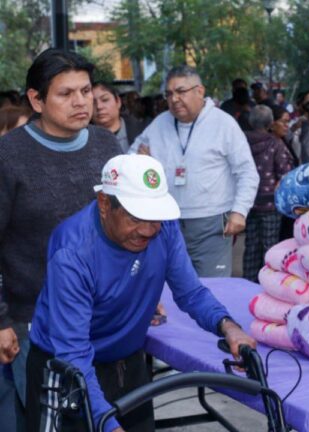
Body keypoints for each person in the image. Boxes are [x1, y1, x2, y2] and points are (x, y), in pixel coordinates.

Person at [25, 154, 255, 432]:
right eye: (136, 217)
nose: (148, 230)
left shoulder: (165, 228)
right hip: (70, 372)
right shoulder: (73, 251)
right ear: (104, 205)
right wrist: (106, 424)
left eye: (155, 217)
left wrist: (228, 326)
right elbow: (73, 351)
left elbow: (191, 293)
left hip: (127, 363)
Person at [0, 48, 121, 432]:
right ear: (36, 100)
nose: (81, 102)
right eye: (66, 93)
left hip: (103, 316)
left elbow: (121, 228)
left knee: (103, 414)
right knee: (46, 421)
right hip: (32, 320)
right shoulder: (8, 155)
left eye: (85, 91)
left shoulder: (106, 146)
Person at [130, 65, 259, 277]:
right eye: (169, 94)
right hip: (166, 223)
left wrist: (239, 211)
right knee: (169, 287)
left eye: (181, 91)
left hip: (212, 223)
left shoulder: (223, 123)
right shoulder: (159, 123)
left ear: (200, 91)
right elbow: (131, 159)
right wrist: (140, 163)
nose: (174, 99)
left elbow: (247, 171)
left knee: (213, 288)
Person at [243, 105, 295, 281]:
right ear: (270, 123)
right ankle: (267, 282)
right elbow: (284, 174)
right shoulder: (275, 144)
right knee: (269, 245)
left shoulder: (241, 141)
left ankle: (247, 283)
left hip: (248, 202)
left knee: (251, 246)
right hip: (270, 204)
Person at [92, 82, 146, 153]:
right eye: (92, 103)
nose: (99, 106)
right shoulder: (84, 140)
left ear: (118, 102)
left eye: (105, 100)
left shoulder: (142, 132)